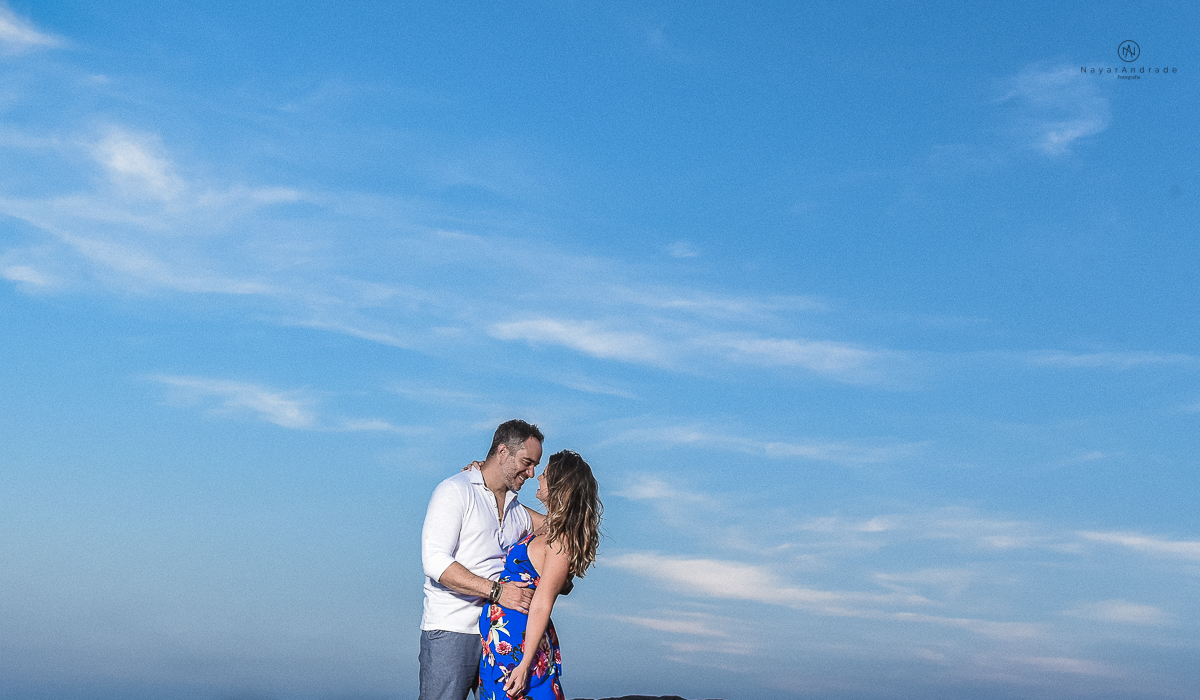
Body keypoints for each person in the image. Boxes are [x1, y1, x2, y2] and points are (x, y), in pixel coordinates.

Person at [419, 420, 545, 700]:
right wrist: (498, 591)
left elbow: (559, 533)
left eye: (536, 465)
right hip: (453, 630)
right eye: (526, 462)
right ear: (502, 452)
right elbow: (435, 561)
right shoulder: (455, 490)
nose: (532, 472)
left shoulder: (517, 510)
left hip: (500, 634)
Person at [479, 450, 602, 700]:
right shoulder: (548, 529)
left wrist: (524, 665)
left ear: (558, 486)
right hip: (501, 644)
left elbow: (543, 603)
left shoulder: (561, 542)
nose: (538, 478)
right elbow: (505, 506)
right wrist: (487, 481)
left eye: (545, 475)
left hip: (521, 650)